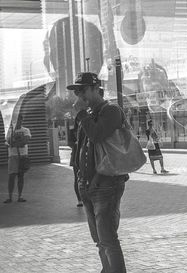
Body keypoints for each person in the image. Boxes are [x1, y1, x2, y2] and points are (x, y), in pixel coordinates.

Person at [67, 72, 128, 273]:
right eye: (77, 91)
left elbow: (96, 135)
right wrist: (80, 177)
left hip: (106, 184)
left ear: (95, 88)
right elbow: (81, 147)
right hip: (87, 185)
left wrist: (82, 114)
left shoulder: (111, 111)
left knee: (108, 239)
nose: (79, 95)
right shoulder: (90, 114)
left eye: (82, 90)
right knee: (99, 240)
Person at [4, 114, 32, 203]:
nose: (17, 122)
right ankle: (10, 197)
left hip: (23, 156)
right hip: (13, 156)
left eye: (19, 120)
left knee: (21, 176)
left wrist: (15, 142)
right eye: (15, 120)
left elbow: (25, 141)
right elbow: (9, 142)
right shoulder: (9, 131)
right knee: (11, 176)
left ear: (21, 120)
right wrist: (16, 142)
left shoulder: (26, 130)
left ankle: (20, 196)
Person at [67, 115, 83, 207]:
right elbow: (69, 143)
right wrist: (76, 144)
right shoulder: (72, 131)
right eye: (79, 120)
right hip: (76, 156)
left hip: (86, 156)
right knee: (77, 177)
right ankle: (79, 199)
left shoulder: (86, 129)